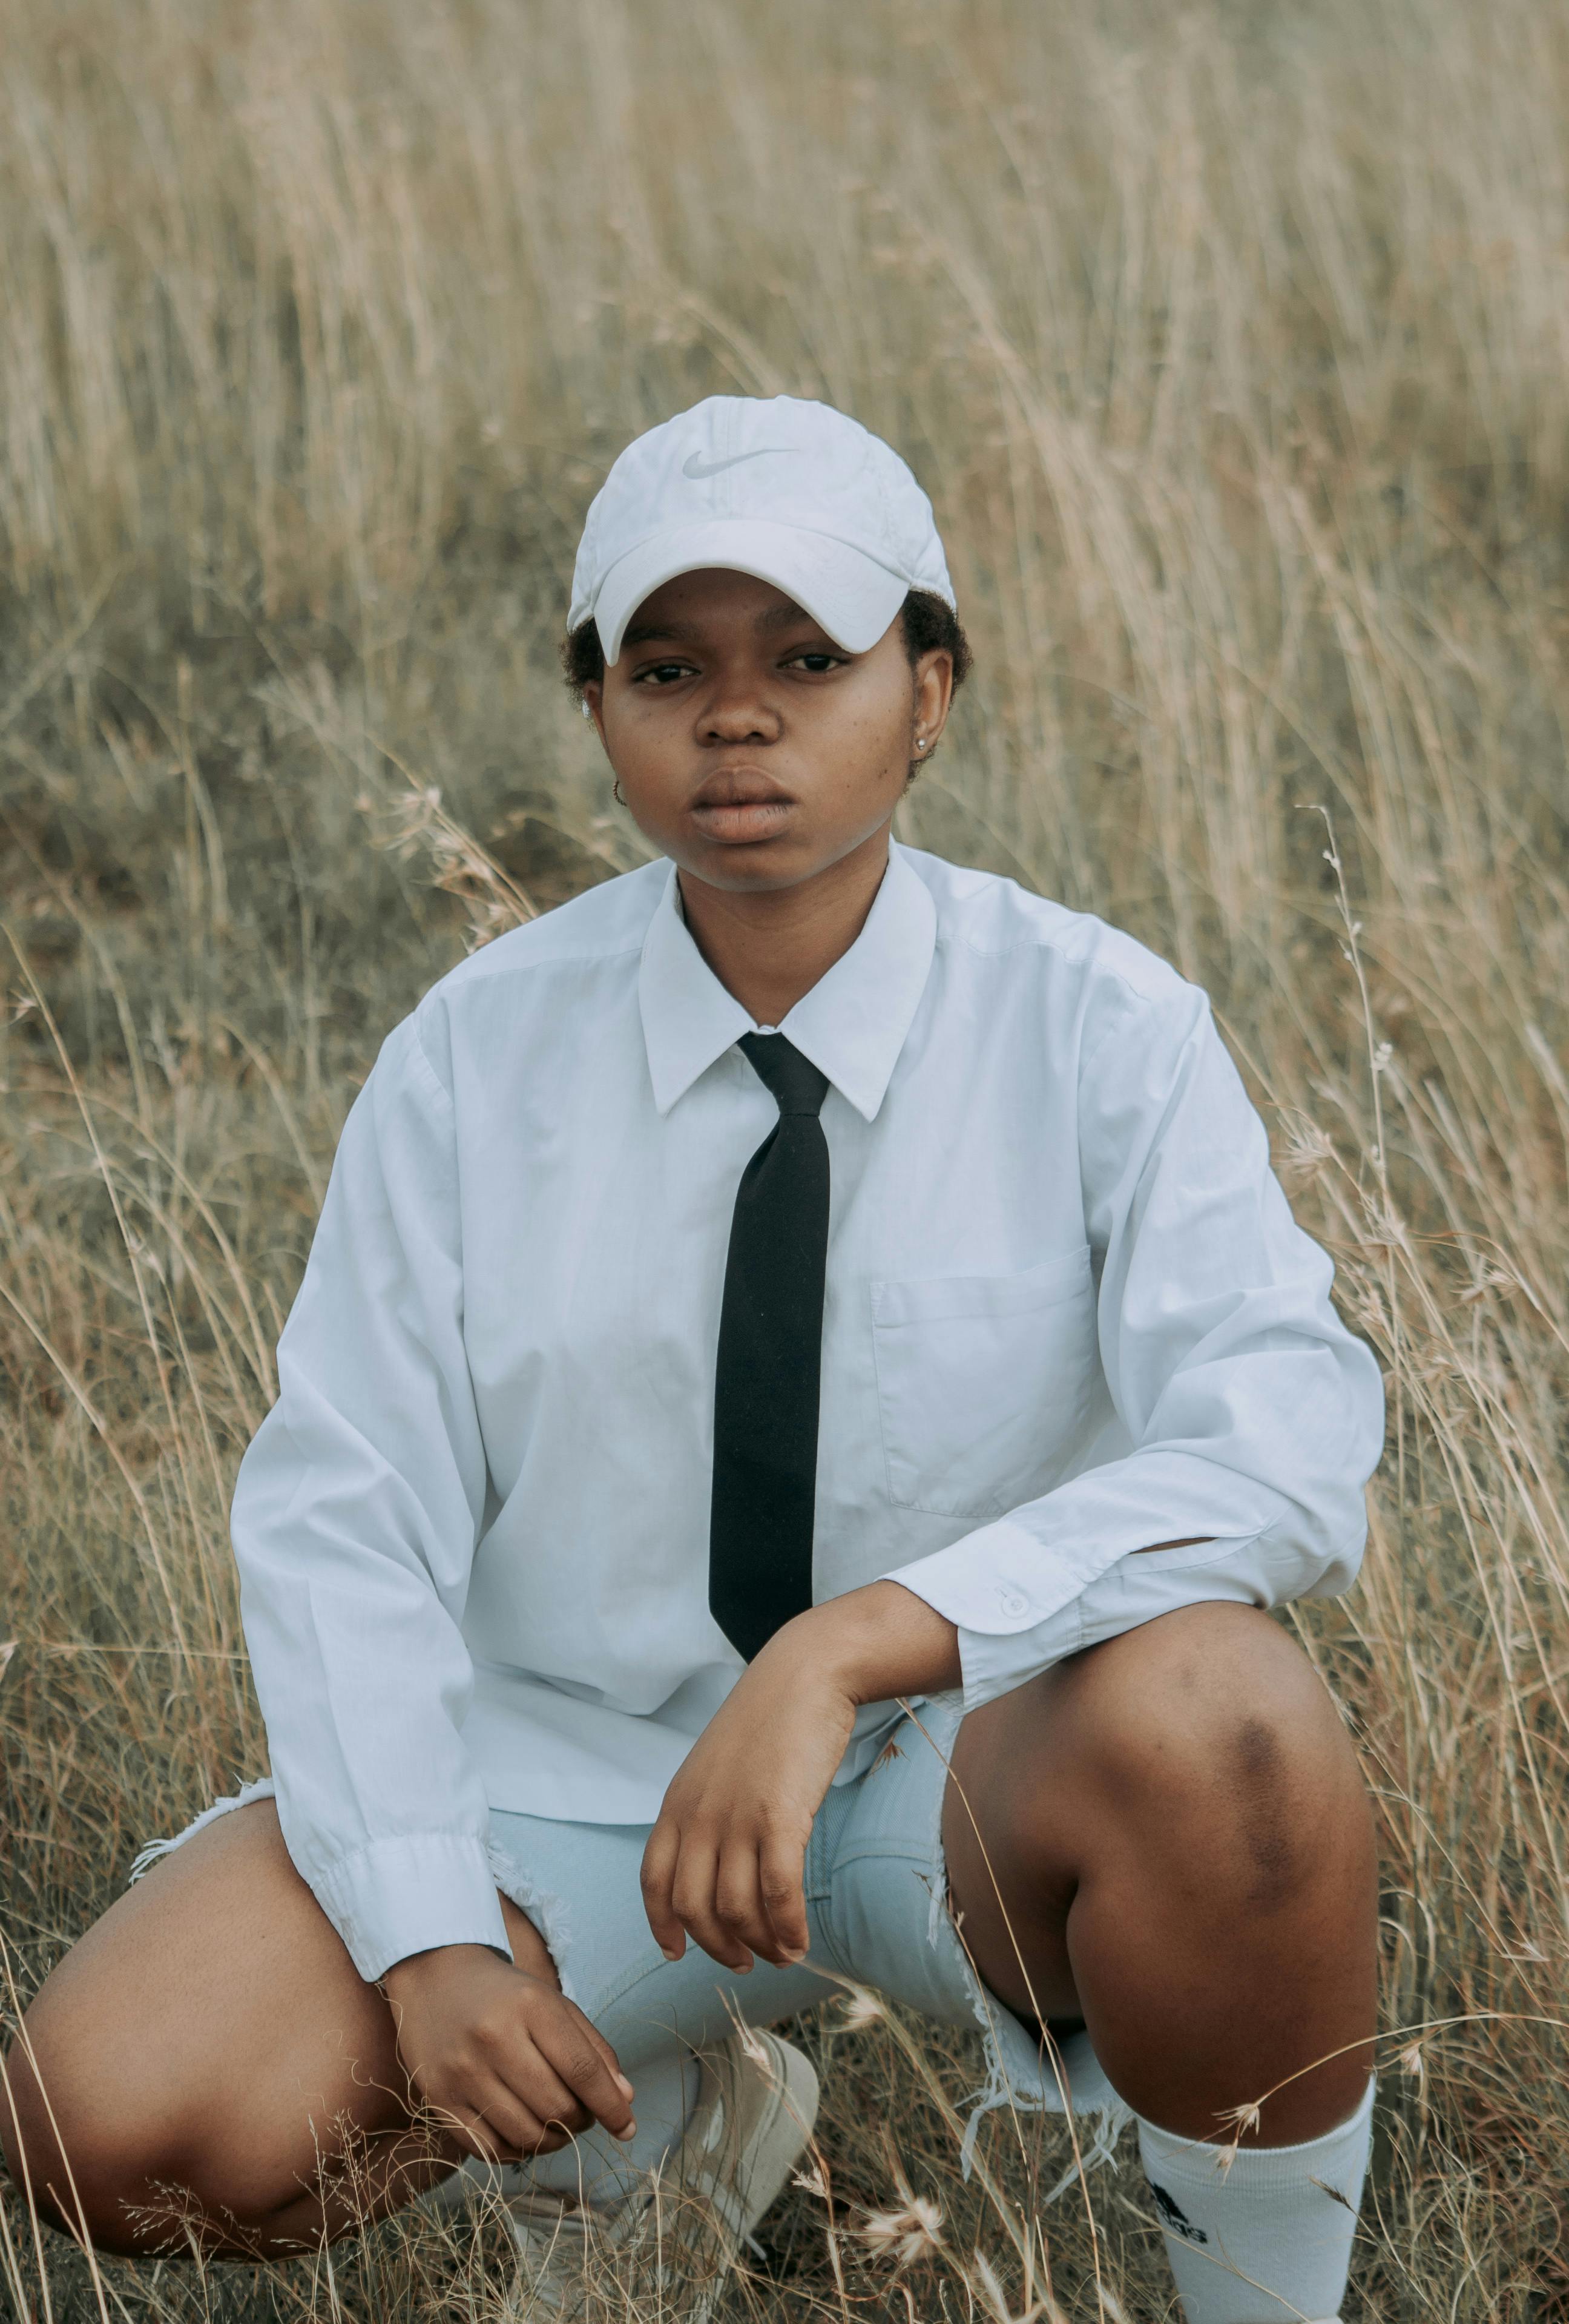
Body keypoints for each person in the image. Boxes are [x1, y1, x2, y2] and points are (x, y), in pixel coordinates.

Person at [2, 394, 1385, 2324]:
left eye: (809, 661)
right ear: (600, 713)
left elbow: (1293, 1440)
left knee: (1234, 1721)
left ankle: (1265, 2302)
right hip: (561, 1785)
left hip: (955, 1766)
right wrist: (428, 1946)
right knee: (111, 2118)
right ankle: (653, 2141)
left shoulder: (1103, 1030)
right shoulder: (474, 1062)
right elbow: (343, 1523)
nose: (738, 719)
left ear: (932, 691)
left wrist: (860, 1641)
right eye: (670, 668)